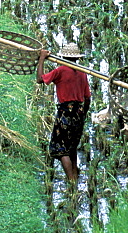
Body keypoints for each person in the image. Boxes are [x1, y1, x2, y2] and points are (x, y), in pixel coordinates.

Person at [36, 42, 90, 183]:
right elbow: (87, 98)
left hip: (65, 111)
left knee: (61, 149)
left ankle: (72, 181)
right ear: (77, 58)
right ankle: (75, 178)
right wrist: (83, 113)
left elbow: (39, 79)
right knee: (72, 147)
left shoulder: (60, 71)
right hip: (78, 113)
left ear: (63, 57)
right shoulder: (83, 73)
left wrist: (41, 58)